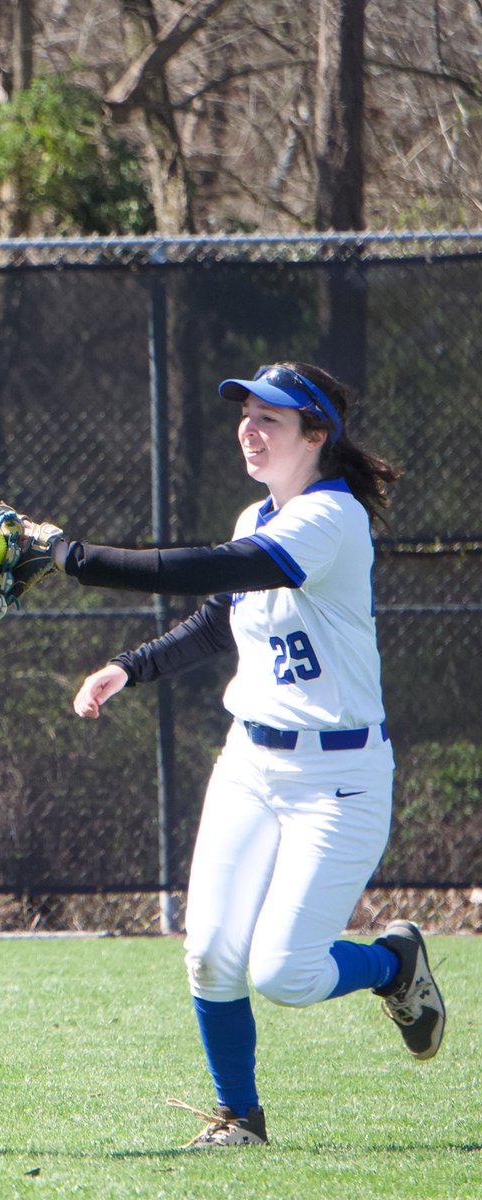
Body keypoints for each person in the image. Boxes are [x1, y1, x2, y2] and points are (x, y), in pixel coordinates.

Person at [32, 361, 445, 1148]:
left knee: (284, 973)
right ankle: (239, 1119)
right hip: (251, 763)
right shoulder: (256, 514)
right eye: (246, 415)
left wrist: (76, 559)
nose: (249, 430)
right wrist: (132, 666)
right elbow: (224, 616)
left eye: (272, 419)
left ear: (316, 435)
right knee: (211, 956)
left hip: (339, 778)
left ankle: (392, 963)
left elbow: (223, 568)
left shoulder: (333, 517)